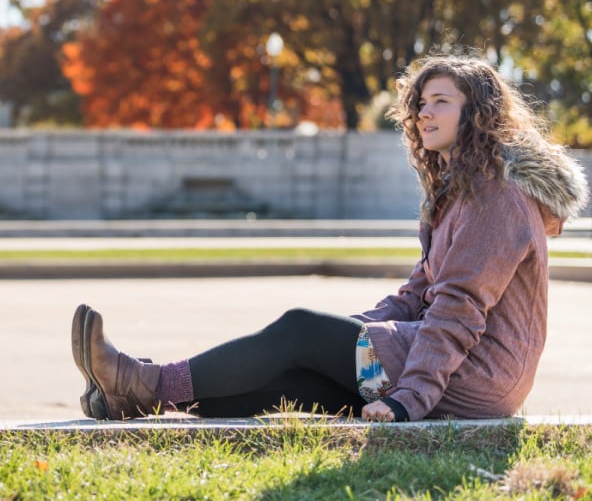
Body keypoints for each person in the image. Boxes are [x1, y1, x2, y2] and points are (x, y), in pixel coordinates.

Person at [70, 51, 588, 423]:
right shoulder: (459, 192)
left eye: (441, 102)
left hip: (477, 375)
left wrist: (411, 399)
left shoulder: (496, 197)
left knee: (299, 331)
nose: (423, 112)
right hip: (456, 364)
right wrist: (352, 330)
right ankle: (138, 400)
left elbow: (459, 307)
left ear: (476, 115)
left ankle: (148, 382)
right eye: (421, 102)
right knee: (300, 380)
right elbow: (417, 295)